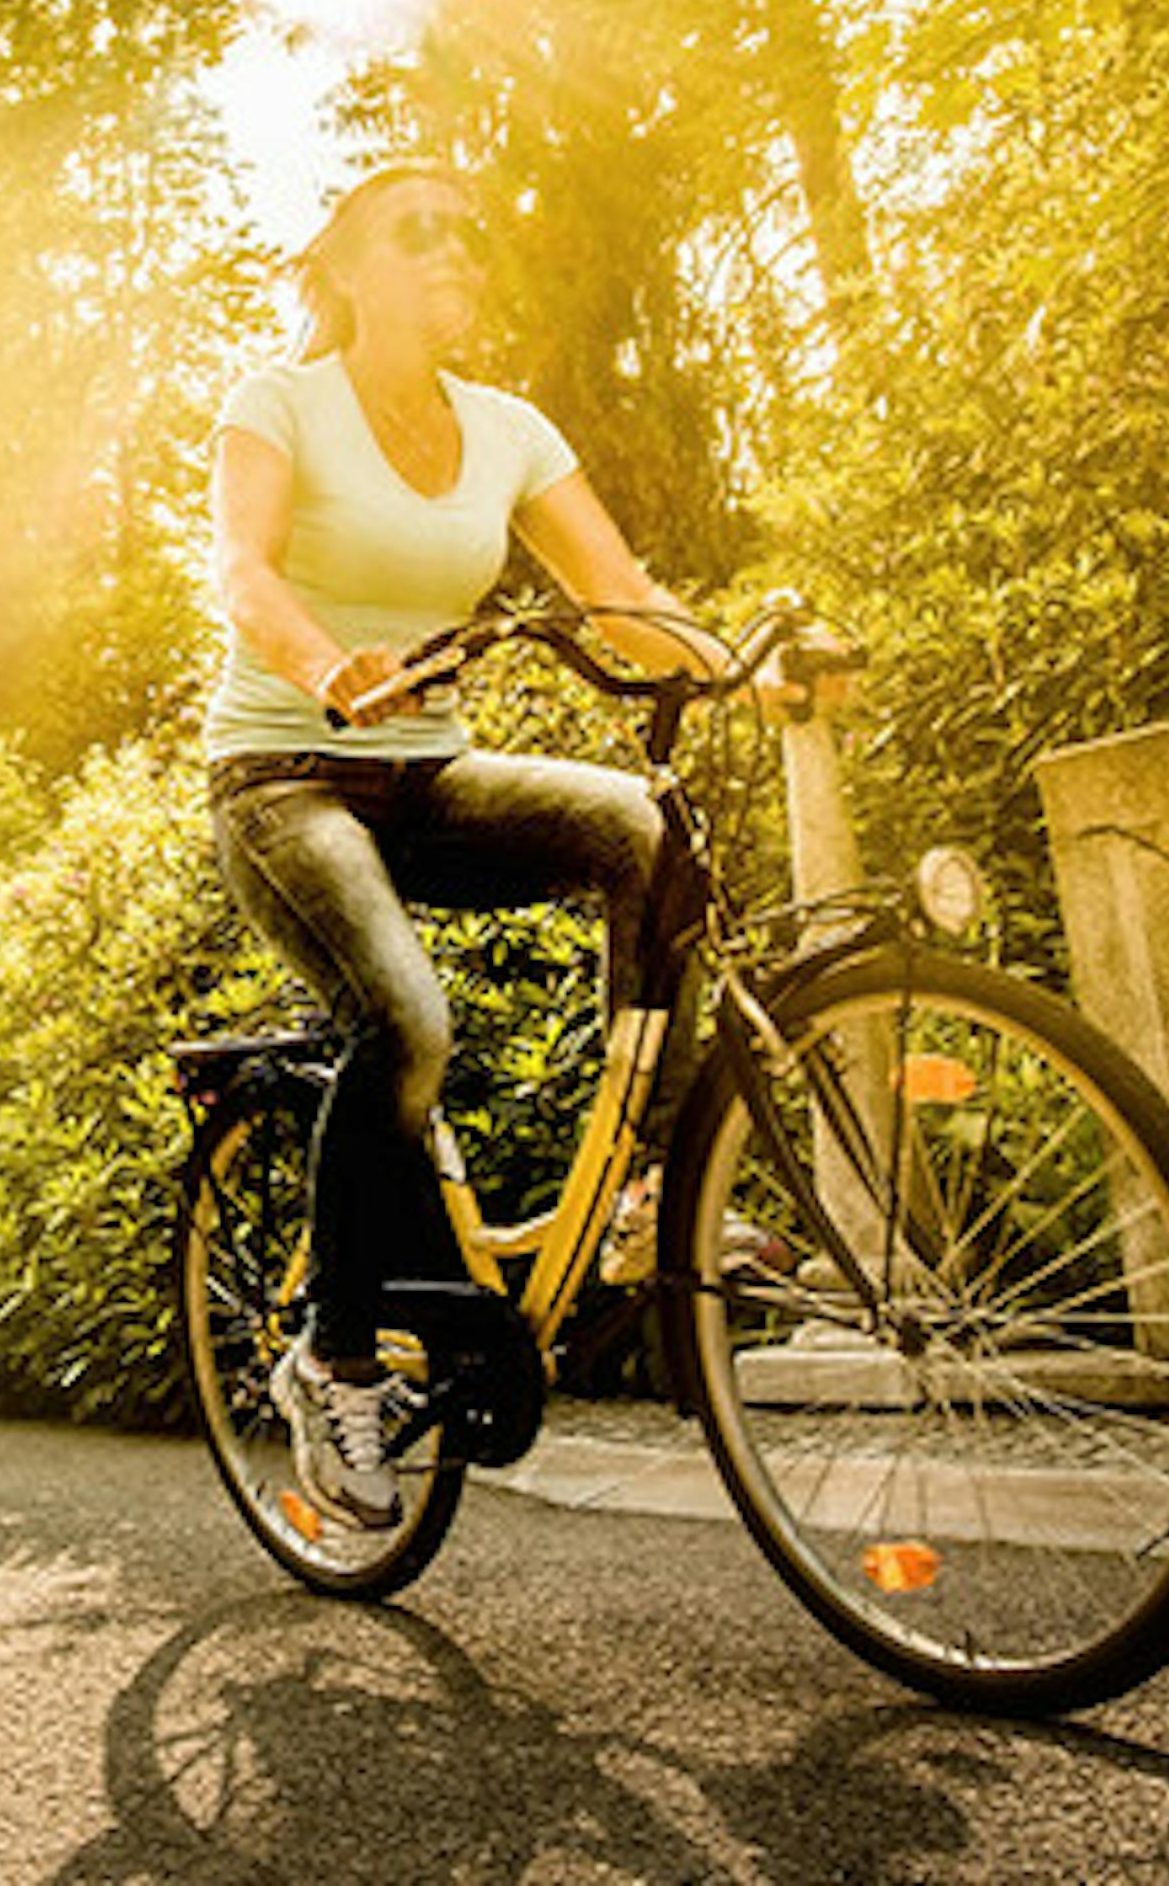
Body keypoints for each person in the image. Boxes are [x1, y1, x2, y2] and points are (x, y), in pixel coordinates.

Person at [202, 164, 720, 1530]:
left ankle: (646, 1198)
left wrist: (745, 662)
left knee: (646, 833)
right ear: (348, 271)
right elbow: (244, 572)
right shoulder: (280, 405)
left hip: (428, 779)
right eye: (413, 236)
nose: (451, 256)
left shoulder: (510, 431)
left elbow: (618, 597)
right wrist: (327, 667)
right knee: (407, 1024)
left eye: (466, 238)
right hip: (286, 778)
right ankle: (338, 1353)